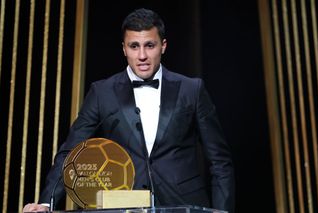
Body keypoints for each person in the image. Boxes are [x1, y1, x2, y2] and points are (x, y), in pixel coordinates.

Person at [23, 8, 235, 213]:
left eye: (149, 45)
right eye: (134, 46)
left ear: (163, 46)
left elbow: (219, 160)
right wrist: (47, 202)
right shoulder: (102, 93)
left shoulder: (191, 89)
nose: (142, 55)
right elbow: (71, 152)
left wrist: (222, 210)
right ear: (124, 48)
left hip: (185, 202)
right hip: (125, 205)